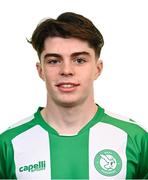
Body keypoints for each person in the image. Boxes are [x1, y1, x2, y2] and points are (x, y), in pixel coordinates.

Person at [0, 12, 147, 179]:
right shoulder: (9, 144)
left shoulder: (135, 139)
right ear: (40, 70)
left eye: (79, 60)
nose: (66, 70)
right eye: (54, 61)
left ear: (97, 69)